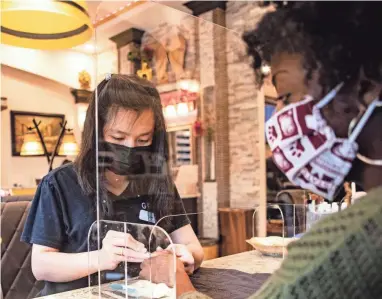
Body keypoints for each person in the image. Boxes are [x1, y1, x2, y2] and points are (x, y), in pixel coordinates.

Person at [139, 2, 382, 298]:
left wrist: (179, 285)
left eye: (286, 96)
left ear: (362, 90)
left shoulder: (360, 234)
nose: (279, 114)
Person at [21, 74, 204, 296]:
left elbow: (194, 247)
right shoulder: (59, 184)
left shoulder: (157, 182)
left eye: (143, 140)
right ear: (97, 134)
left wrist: (186, 254)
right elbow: (41, 266)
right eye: (118, 138)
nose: (130, 147)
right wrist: (101, 258)